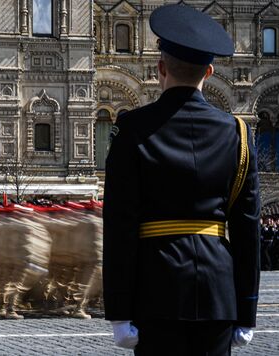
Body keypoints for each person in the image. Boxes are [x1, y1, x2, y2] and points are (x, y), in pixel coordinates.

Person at [103, 4, 260, 355]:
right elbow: (248, 230)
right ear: (209, 71)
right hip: (219, 296)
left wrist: (118, 312)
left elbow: (119, 225)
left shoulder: (132, 130)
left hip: (155, 292)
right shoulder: (238, 133)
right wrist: (246, 311)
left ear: (160, 68)